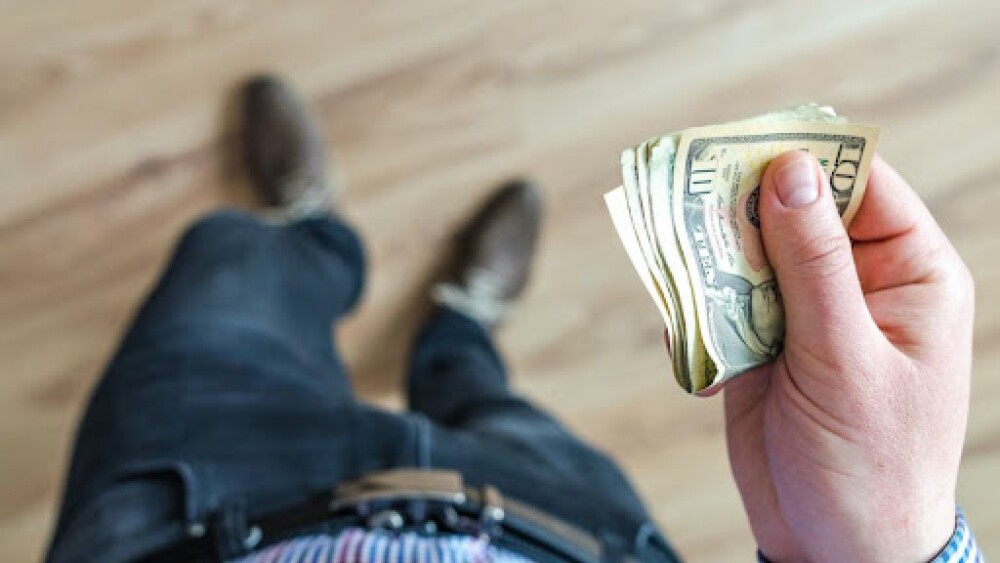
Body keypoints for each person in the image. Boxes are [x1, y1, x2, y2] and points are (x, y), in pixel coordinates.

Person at [43, 75, 981, 563]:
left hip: (183, 519)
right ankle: (458, 323)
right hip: (565, 528)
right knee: (482, 392)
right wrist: (884, 545)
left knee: (224, 264)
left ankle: (308, 234)